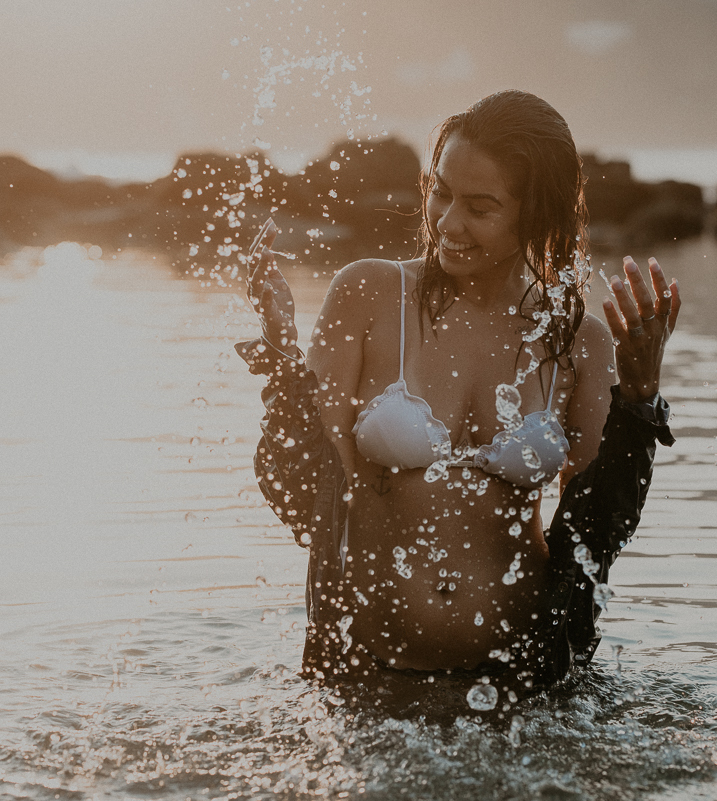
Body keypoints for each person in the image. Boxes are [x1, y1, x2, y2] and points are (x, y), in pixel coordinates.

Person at [236, 90, 679, 692]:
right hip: (368, 682)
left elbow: (596, 531)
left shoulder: (579, 342)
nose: (448, 222)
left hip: (524, 692)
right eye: (441, 191)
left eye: (480, 206)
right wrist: (284, 362)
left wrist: (640, 399)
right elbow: (300, 491)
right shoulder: (367, 297)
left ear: (537, 215)